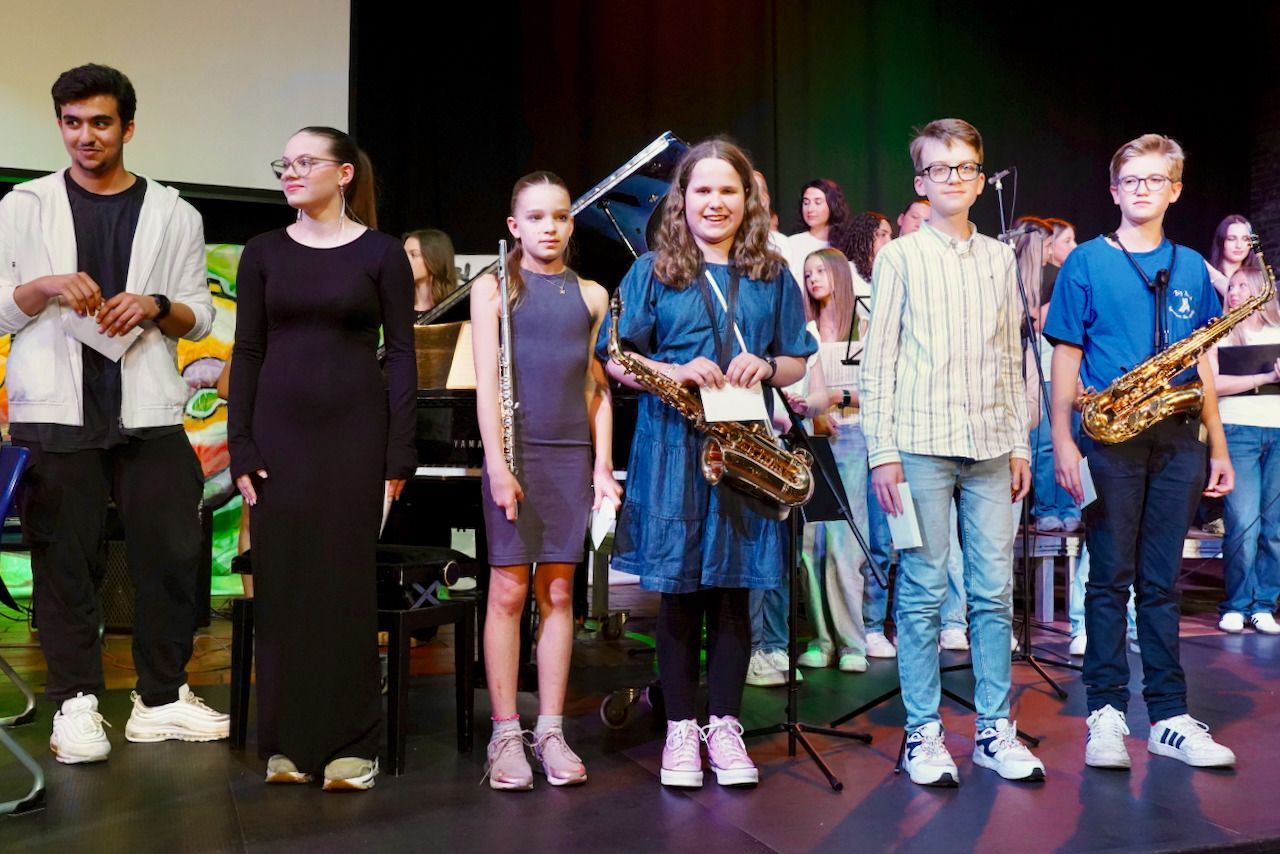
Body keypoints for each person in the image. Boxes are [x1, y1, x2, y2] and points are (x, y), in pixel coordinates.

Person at [0, 63, 226, 765]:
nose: (85, 136)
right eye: (72, 123)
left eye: (100, 122)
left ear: (128, 127)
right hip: (54, 408)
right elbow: (2, 307)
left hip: (148, 408)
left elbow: (198, 315)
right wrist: (42, 287)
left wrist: (155, 304)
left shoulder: (174, 212)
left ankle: (160, 699)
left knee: (172, 554)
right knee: (64, 561)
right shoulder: (23, 206)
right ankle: (76, 703)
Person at [599, 138, 814, 789]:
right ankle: (680, 730)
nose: (715, 202)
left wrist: (767, 366)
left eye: (727, 190)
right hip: (672, 447)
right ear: (682, 198)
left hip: (744, 449)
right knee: (680, 595)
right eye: (703, 190)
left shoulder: (773, 273)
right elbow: (617, 359)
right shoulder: (651, 271)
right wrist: (671, 369)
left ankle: (725, 727)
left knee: (733, 593)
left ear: (746, 199)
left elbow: (796, 360)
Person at [229, 126, 417, 791]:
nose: (290, 172)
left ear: (343, 174)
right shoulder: (262, 252)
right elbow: (247, 350)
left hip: (354, 438)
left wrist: (399, 452)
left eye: (305, 162)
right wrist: (241, 444)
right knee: (283, 589)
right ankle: (288, 742)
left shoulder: (382, 253)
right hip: (277, 439)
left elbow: (401, 356)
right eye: (284, 163)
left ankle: (351, 745)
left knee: (342, 589)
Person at [861, 117, 1044, 787]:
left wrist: (1021, 441)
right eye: (941, 168)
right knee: (922, 593)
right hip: (919, 445)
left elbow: (1010, 359)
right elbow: (879, 362)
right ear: (921, 181)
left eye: (966, 167)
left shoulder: (1000, 258)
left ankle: (994, 729)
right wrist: (881, 452)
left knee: (993, 593)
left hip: (993, 445)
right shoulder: (900, 257)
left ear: (980, 176)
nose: (955, 178)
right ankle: (923, 733)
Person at [1047, 132, 1236, 771]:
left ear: (1175, 190)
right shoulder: (1085, 263)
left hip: (1179, 436)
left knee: (1161, 582)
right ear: (1113, 190)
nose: (1142, 190)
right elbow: (1066, 354)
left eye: (1155, 180)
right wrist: (1062, 439)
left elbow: (1202, 361)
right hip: (1109, 436)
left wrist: (1218, 443)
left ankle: (1169, 717)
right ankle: (1105, 712)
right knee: (1108, 578)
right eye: (1131, 180)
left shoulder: (1192, 267)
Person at [471, 172, 621, 790]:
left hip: (568, 456)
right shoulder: (493, 288)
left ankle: (550, 730)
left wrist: (602, 466)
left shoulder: (592, 295)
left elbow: (596, 387)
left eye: (559, 216)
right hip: (515, 453)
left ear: (571, 222)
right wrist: (497, 466)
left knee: (559, 593)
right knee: (507, 593)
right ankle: (506, 733)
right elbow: (487, 385)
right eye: (535, 217)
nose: (549, 227)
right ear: (514, 226)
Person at [788, 248, 873, 673]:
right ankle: (821, 640)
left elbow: (880, 389)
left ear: (839, 273)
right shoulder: (803, 331)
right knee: (810, 547)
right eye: (807, 274)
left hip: (853, 437)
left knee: (844, 544)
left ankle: (852, 642)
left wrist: (835, 398)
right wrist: (812, 408)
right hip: (813, 438)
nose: (814, 279)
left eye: (820, 270)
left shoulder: (864, 325)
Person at [1211, 265, 1280, 635]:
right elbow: (1211, 384)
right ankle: (1237, 603)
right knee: (1241, 522)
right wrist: (1264, 378)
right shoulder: (1220, 333)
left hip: (1278, 430)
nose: (1233, 292)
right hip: (1237, 430)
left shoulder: (1277, 330)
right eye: (1231, 286)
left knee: (1274, 527)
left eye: (1242, 286)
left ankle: (1264, 603)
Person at [785, 178, 850, 283]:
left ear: (832, 205)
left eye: (818, 202)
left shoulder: (845, 244)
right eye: (806, 203)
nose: (810, 209)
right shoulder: (791, 244)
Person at [403, 228, 458, 313]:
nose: (403, 260)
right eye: (403, 254)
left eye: (414, 254)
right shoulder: (395, 305)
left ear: (435, 259)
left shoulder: (455, 307)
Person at [1206, 214, 1258, 298]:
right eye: (1231, 239)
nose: (1239, 245)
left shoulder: (1259, 278)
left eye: (1245, 239)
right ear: (1220, 241)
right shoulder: (1204, 276)